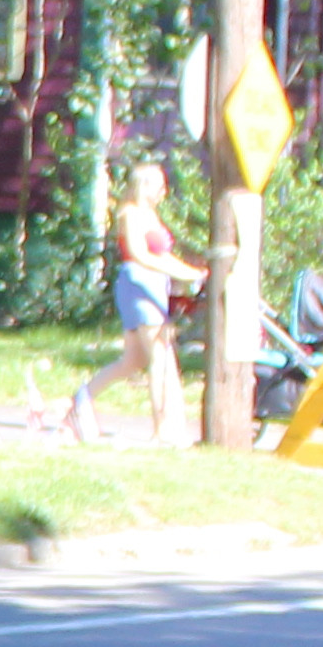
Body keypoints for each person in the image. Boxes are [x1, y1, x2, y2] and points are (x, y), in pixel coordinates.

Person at [107, 156, 188, 444]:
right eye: (159, 186)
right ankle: (160, 429)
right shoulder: (129, 214)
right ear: (145, 186)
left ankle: (80, 401)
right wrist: (184, 273)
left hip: (156, 284)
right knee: (158, 356)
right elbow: (140, 254)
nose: (163, 192)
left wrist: (192, 272)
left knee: (132, 360)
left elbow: (163, 255)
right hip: (138, 283)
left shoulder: (153, 216)